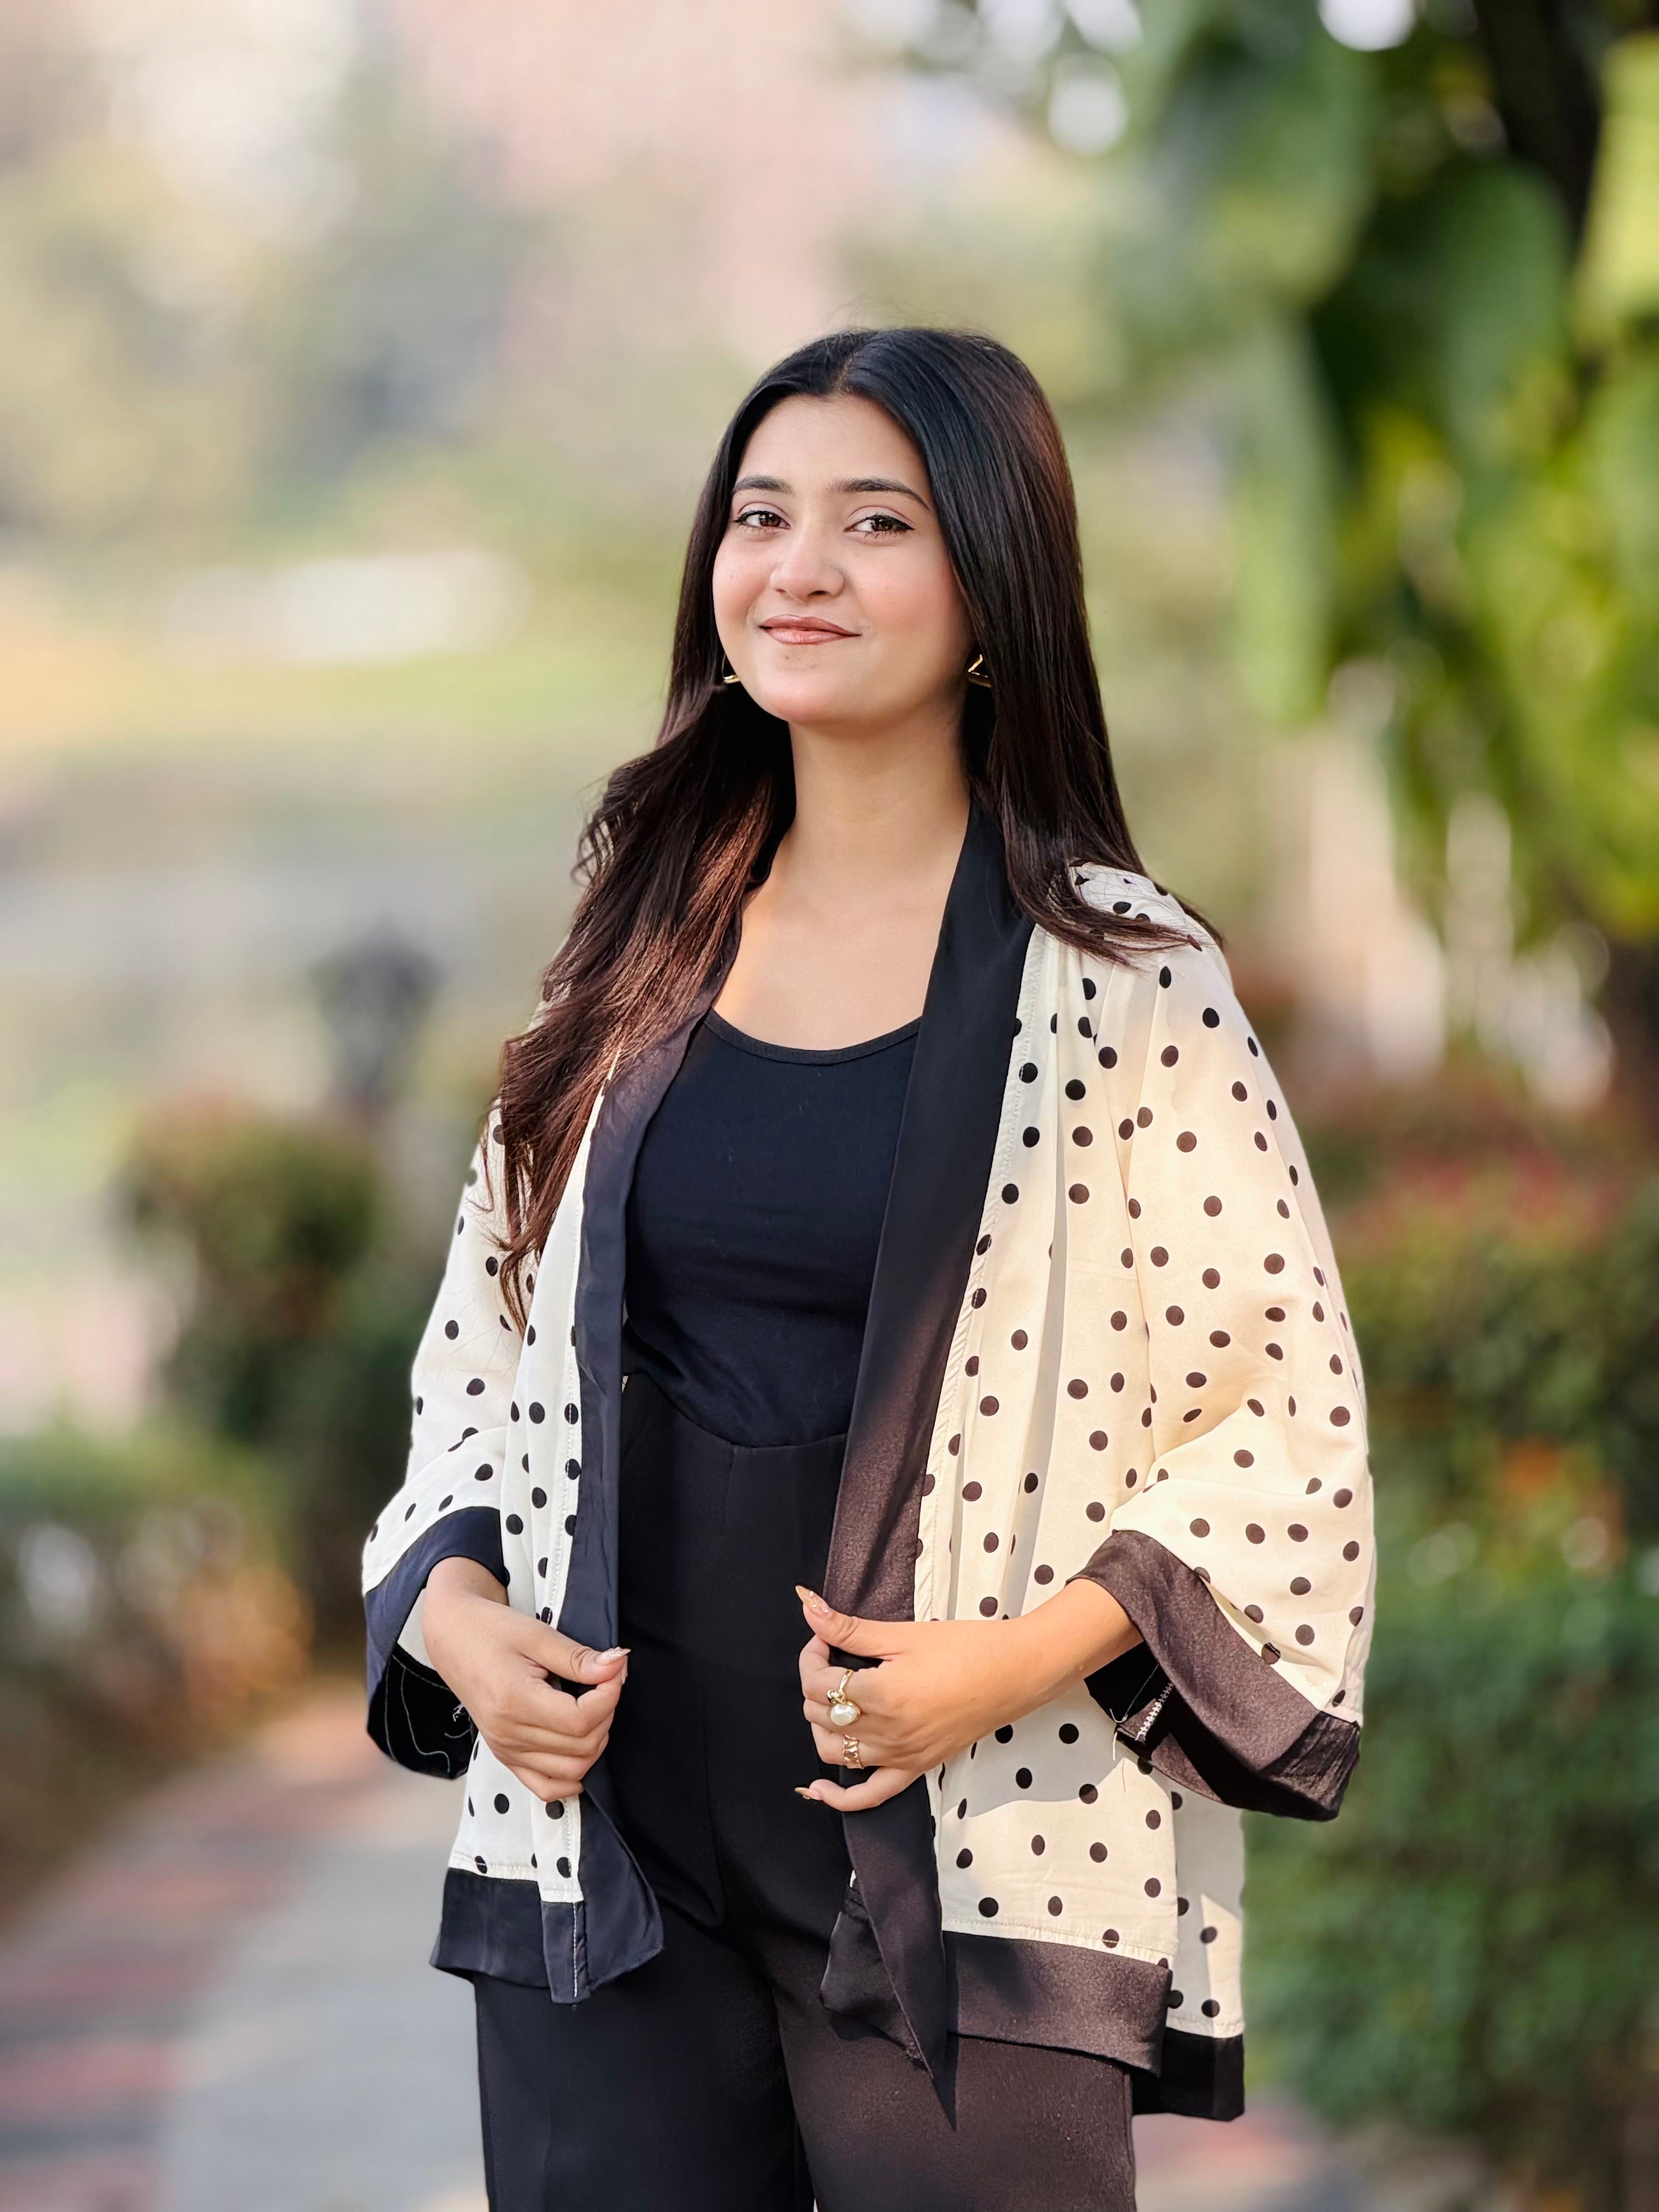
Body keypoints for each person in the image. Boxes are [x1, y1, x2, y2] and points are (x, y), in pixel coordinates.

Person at [360, 325, 1375, 2212]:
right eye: (761, 517)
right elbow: (474, 1376)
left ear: (995, 587)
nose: (799, 568)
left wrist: (1000, 1668)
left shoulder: (1126, 984)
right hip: (611, 1845)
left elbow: (1280, 1430)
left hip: (977, 1846)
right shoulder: (628, 957)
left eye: (876, 522)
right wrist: (460, 1621)